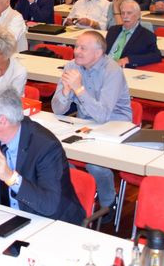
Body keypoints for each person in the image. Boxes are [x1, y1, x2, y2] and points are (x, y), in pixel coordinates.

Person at [0, 86, 86, 223]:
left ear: (2, 120)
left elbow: (49, 205)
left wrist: (11, 178)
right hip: (8, 217)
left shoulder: (45, 147)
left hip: (50, 221)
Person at [50, 31, 133, 208]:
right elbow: (57, 110)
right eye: (76, 47)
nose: (76, 51)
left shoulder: (112, 71)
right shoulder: (71, 66)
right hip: (86, 125)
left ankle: (108, 203)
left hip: (116, 127)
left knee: (96, 166)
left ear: (98, 53)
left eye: (83, 48)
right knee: (56, 156)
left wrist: (79, 89)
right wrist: (66, 91)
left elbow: (102, 116)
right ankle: (78, 196)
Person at [106, 0, 161, 68]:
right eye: (123, 13)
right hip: (103, 66)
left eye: (129, 13)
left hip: (122, 69)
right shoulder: (113, 30)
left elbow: (156, 56)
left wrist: (129, 59)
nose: (125, 16)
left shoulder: (147, 35)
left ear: (138, 15)